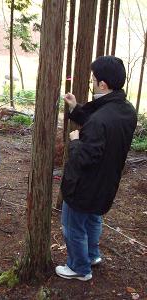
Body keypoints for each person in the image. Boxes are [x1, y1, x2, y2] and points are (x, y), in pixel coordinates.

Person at [56, 56, 137, 281]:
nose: (92, 82)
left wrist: (74, 141)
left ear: (103, 84)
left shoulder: (101, 119)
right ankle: (92, 255)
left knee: (73, 226)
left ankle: (79, 268)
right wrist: (75, 108)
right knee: (93, 220)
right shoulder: (125, 110)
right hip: (106, 182)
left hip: (85, 185)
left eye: (93, 79)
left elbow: (84, 157)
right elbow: (100, 126)